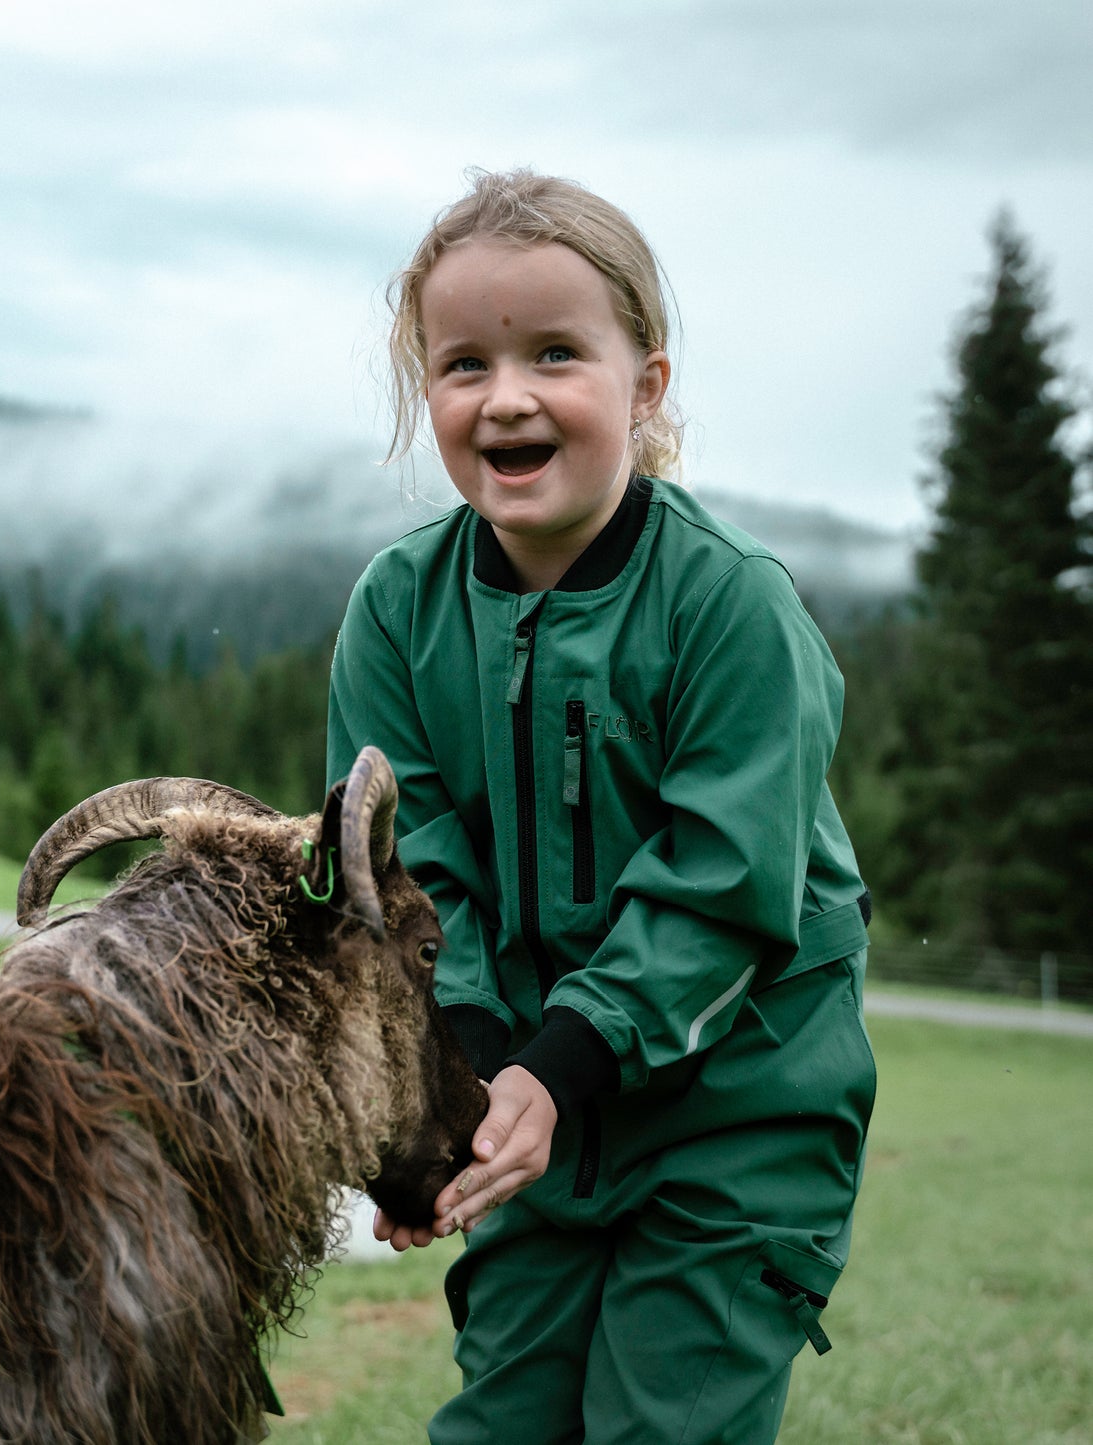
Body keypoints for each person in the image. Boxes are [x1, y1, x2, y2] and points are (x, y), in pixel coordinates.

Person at [325, 169, 875, 1445]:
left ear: (645, 387)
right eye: (462, 363)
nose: (505, 394)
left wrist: (559, 1063)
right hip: (529, 1119)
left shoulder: (731, 606)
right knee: (501, 1418)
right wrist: (444, 1102)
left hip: (739, 1113)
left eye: (555, 353)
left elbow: (723, 880)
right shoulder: (396, 615)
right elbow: (413, 880)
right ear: (427, 394)